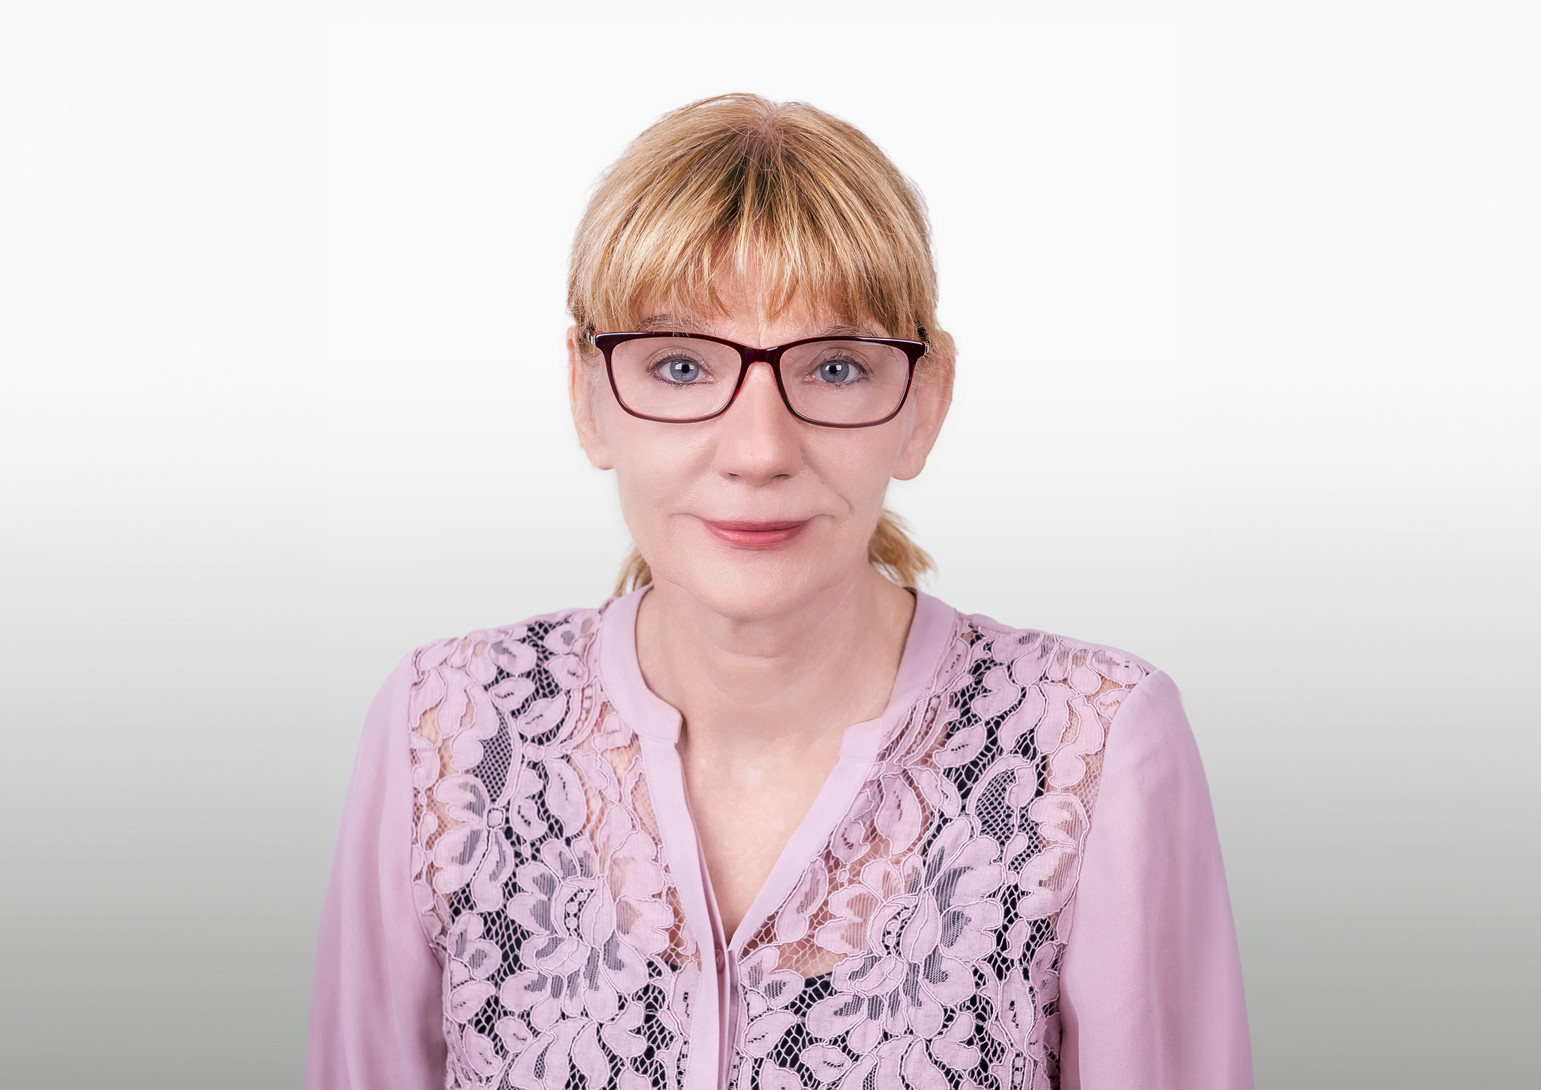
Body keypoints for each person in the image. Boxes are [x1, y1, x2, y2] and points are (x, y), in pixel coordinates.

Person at [306, 92, 1253, 1090]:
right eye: (680, 365)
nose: (758, 451)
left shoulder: (1090, 748)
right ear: (588, 397)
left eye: (835, 367)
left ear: (923, 403)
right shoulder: (444, 732)